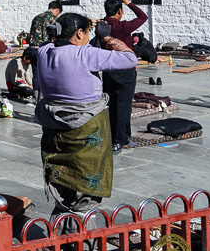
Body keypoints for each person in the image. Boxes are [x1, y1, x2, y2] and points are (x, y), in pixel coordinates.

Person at [34, 12, 138, 215]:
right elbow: (130, 58)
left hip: (53, 126)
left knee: (62, 183)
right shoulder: (86, 54)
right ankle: (81, 239)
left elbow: (54, 43)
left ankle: (60, 234)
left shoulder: (43, 51)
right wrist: (107, 37)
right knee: (85, 189)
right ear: (79, 32)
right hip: (85, 127)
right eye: (89, 33)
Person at [101, 0, 149, 153]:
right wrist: (128, 2)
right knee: (123, 106)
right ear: (119, 11)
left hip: (107, 70)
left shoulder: (102, 26)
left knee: (109, 104)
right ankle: (120, 140)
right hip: (125, 71)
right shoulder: (123, 27)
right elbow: (143, 17)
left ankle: (109, 136)